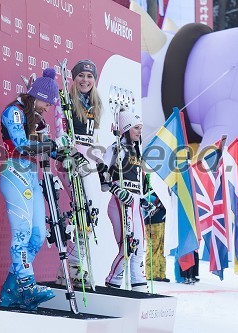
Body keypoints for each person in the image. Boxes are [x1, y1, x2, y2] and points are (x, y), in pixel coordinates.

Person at [0, 68, 64, 310]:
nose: (48, 108)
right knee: (22, 234)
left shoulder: (37, 118)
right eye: (47, 103)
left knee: (36, 237)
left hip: (31, 176)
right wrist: (51, 145)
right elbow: (23, 145)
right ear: (36, 96)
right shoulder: (13, 111)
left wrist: (65, 153)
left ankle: (11, 292)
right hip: (14, 172)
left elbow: (48, 149)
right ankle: (27, 285)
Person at [53, 59, 108, 288]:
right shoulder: (64, 98)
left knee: (90, 212)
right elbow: (59, 131)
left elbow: (91, 140)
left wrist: (101, 162)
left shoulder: (95, 104)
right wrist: (69, 154)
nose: (85, 80)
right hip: (69, 160)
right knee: (82, 210)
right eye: (81, 76)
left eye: (90, 76)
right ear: (73, 77)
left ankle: (75, 265)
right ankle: (75, 265)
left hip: (87, 161)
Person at [102, 110, 153, 292]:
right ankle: (113, 285)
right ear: (126, 128)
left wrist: (146, 197)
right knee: (128, 247)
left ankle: (139, 287)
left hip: (136, 203)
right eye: (136, 128)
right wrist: (117, 190)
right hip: (120, 203)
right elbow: (103, 178)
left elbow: (141, 182)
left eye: (141, 128)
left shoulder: (138, 151)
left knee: (139, 247)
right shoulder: (115, 148)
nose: (140, 132)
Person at [144, 190, 170, 282]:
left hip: (163, 221)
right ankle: (151, 273)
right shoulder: (150, 191)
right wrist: (157, 202)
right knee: (153, 247)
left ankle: (161, 274)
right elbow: (145, 200)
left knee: (162, 248)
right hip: (152, 222)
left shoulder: (163, 188)